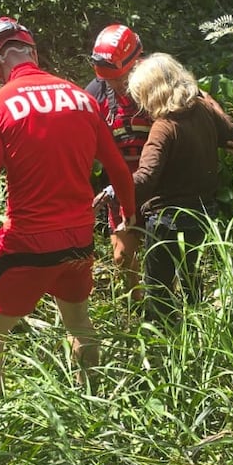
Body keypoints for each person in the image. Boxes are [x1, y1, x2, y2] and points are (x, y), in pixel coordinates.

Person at [0, 17, 135, 399]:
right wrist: (129, 217)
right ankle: (93, 402)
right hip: (78, 240)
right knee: (79, 322)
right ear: (33, 52)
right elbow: (119, 169)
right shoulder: (82, 98)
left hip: (26, 245)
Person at [127, 53, 233, 321]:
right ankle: (199, 330)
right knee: (191, 277)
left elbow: (146, 178)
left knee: (159, 291)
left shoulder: (164, 127)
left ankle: (164, 345)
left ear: (151, 92)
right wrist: (210, 102)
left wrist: (116, 192)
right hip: (202, 215)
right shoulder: (204, 111)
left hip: (166, 221)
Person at [86, 23, 151, 302]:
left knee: (165, 255)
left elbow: (198, 99)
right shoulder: (98, 90)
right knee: (122, 258)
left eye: (120, 78)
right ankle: (136, 311)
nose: (114, 84)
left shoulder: (160, 80)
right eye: (109, 79)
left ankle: (170, 314)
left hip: (161, 183)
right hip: (120, 184)